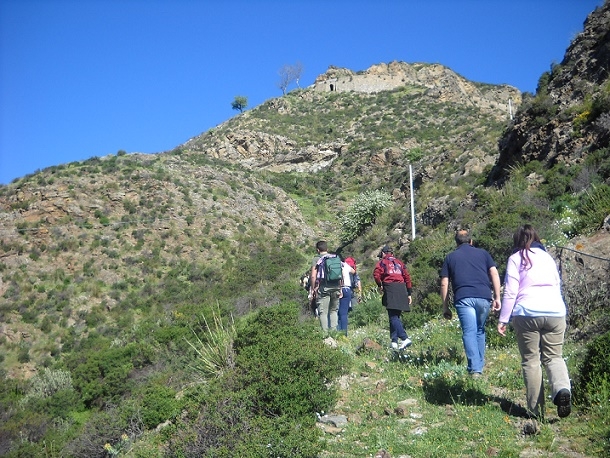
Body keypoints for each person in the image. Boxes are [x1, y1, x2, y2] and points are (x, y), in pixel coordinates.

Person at [497, 224, 571, 419]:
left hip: (527, 312)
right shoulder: (548, 258)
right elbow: (558, 283)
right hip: (555, 310)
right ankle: (562, 389)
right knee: (554, 357)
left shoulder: (515, 258)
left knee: (531, 361)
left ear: (517, 242)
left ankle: (535, 411)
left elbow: (511, 291)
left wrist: (504, 319)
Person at [440, 230, 501, 376]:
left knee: (469, 331)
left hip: (464, 297)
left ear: (456, 243)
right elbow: (494, 273)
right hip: (484, 296)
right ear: (471, 241)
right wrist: (497, 297)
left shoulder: (450, 257)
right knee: (479, 330)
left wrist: (445, 306)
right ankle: (478, 366)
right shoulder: (483, 254)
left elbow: (444, 282)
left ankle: (475, 369)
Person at [373, 246, 413, 350]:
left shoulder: (382, 262)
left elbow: (376, 275)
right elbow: (407, 277)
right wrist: (409, 293)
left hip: (390, 287)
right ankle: (394, 341)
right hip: (402, 288)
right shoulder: (400, 263)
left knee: (392, 316)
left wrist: (380, 285)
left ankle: (404, 338)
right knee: (396, 315)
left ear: (383, 253)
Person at [309, 241, 342, 333]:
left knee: (323, 312)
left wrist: (313, 289)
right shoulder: (335, 257)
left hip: (324, 288)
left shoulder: (317, 259)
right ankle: (334, 334)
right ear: (327, 249)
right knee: (334, 311)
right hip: (336, 287)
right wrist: (340, 288)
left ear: (317, 250)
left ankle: (325, 335)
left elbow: (313, 276)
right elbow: (340, 273)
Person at [337, 257, 356, 335]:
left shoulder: (333, 265)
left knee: (337, 312)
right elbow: (353, 271)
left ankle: (338, 332)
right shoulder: (345, 264)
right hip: (347, 288)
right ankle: (344, 333)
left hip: (337, 289)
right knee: (344, 313)